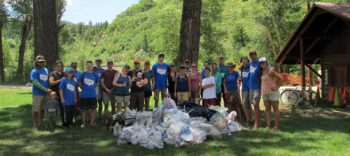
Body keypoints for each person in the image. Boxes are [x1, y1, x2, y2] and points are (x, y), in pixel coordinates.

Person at [259, 58, 283, 129]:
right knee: (267, 109)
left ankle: (276, 126)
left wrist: (277, 87)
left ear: (266, 62)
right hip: (265, 93)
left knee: (275, 109)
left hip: (273, 92)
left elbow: (281, 78)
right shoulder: (261, 71)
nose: (262, 64)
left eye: (263, 62)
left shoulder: (271, 70)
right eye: (260, 63)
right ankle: (268, 125)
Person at [30, 55, 51, 129]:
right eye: (40, 62)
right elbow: (35, 83)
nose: (41, 63)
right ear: (36, 62)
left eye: (42, 61)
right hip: (37, 94)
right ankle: (34, 124)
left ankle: (40, 122)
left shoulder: (46, 70)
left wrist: (49, 89)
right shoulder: (34, 71)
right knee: (35, 109)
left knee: (42, 109)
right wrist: (45, 89)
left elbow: (47, 81)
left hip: (45, 94)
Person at [79, 61, 100, 128]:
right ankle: (83, 122)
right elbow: (79, 82)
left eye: (90, 65)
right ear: (86, 66)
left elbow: (98, 83)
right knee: (84, 110)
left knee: (93, 109)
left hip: (93, 95)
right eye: (88, 65)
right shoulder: (83, 74)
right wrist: (83, 88)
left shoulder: (95, 74)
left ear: (92, 66)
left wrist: (94, 87)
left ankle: (92, 121)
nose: (89, 67)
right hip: (84, 95)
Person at [248, 51, 262, 130]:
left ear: (256, 55)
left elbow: (267, 67)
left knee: (256, 105)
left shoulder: (259, 63)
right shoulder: (250, 64)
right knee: (253, 105)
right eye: (251, 55)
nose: (252, 56)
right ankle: (256, 121)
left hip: (257, 87)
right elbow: (240, 69)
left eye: (253, 55)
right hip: (250, 87)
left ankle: (257, 124)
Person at [49, 60, 65, 127]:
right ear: (55, 66)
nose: (59, 67)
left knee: (62, 109)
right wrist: (60, 80)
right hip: (54, 94)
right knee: (53, 109)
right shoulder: (52, 73)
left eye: (60, 66)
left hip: (63, 94)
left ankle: (64, 122)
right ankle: (52, 123)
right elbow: (51, 82)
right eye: (58, 66)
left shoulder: (64, 74)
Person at [240, 56, 253, 126]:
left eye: (245, 60)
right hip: (244, 89)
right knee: (245, 105)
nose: (244, 61)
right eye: (242, 60)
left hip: (251, 88)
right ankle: (249, 120)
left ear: (248, 60)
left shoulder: (251, 67)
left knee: (251, 104)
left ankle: (251, 119)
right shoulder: (242, 69)